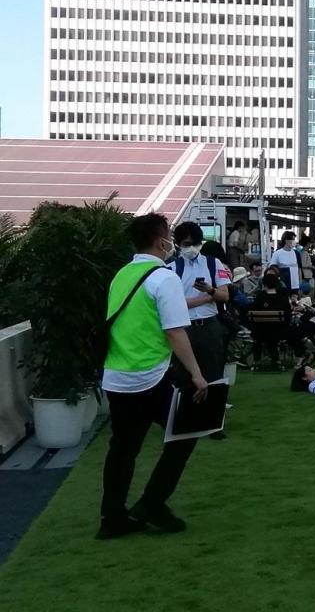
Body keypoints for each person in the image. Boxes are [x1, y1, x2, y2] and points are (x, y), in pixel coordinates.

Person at [97, 213, 209, 540]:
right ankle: (151, 503)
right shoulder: (164, 278)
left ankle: (112, 517)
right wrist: (197, 374)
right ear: (162, 242)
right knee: (186, 433)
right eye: (171, 236)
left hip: (117, 377)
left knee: (122, 449)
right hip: (151, 376)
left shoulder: (122, 275)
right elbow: (174, 331)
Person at [169, 223, 231, 394]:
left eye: (195, 243)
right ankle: (184, 415)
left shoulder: (214, 263)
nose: (192, 248)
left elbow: (224, 295)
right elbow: (174, 304)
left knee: (213, 375)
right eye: (187, 244)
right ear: (178, 244)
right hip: (184, 328)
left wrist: (210, 290)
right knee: (183, 376)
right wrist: (206, 298)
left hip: (209, 325)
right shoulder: (172, 269)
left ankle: (214, 416)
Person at [249, 274, 306, 369]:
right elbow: (288, 314)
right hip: (280, 332)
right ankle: (291, 358)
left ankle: (257, 360)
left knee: (264, 335)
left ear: (264, 284)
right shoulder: (282, 297)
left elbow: (253, 312)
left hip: (260, 332)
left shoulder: (260, 296)